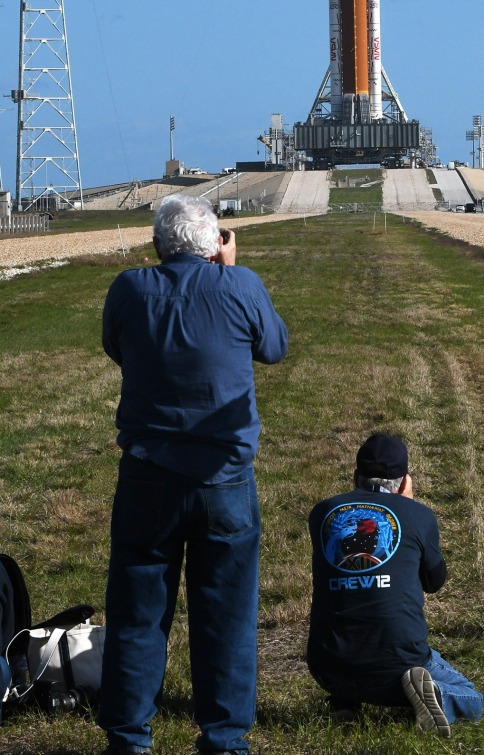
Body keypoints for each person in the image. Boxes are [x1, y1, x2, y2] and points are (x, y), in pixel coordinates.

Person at [99, 194, 288, 755]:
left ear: (157, 244)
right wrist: (228, 273)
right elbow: (274, 347)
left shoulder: (129, 289)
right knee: (226, 612)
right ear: (214, 245)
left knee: (137, 612)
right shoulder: (242, 285)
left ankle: (129, 738)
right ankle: (224, 739)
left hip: (147, 474)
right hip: (224, 477)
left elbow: (119, 348)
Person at [306, 433, 484, 738]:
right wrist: (409, 508)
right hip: (397, 664)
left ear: (355, 476)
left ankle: (345, 701)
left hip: (327, 666)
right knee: (473, 699)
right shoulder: (419, 515)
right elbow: (435, 581)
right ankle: (438, 697)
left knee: (351, 601)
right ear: (404, 482)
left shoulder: (322, 514)